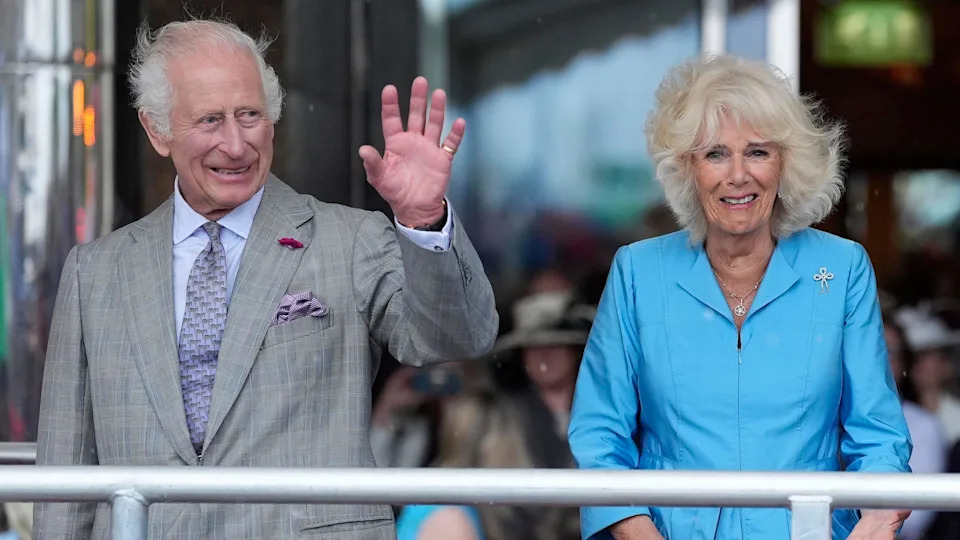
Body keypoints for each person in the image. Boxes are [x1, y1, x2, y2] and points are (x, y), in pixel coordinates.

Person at [33, 18, 498, 539]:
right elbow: (65, 478)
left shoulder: (349, 240)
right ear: (157, 131)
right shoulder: (95, 272)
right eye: (210, 120)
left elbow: (455, 338)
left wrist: (423, 222)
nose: (235, 145)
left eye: (249, 115)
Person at [567, 54, 911, 540]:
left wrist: (878, 518)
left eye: (757, 152)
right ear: (686, 168)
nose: (737, 175)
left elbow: (878, 435)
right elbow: (600, 437)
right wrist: (636, 530)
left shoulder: (841, 267)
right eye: (714, 154)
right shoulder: (638, 272)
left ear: (786, 163)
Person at [883, 315, 946, 540]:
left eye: (890, 351)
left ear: (903, 364)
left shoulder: (924, 425)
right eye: (872, 348)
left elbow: (916, 517)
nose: (879, 358)